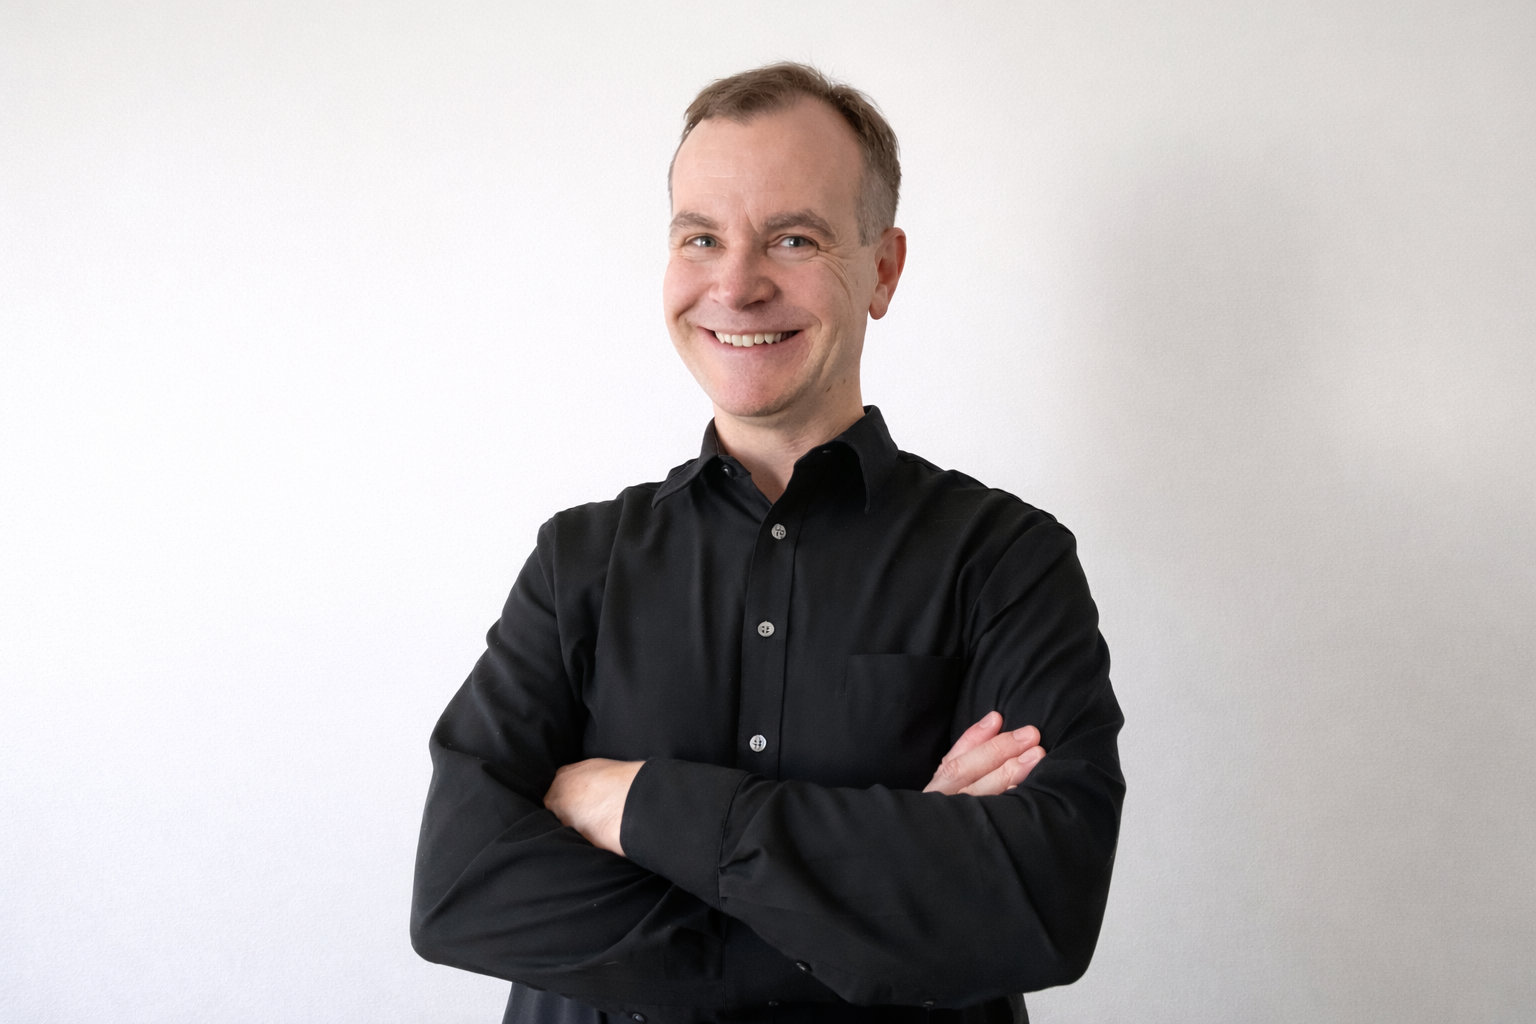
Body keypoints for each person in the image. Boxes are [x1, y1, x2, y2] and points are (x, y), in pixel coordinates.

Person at [411, 62, 1124, 1024]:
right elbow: (460, 890)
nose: (736, 285)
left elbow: (1039, 906)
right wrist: (869, 903)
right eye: (701, 237)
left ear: (882, 268)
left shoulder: (1006, 560)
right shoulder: (577, 563)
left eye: (794, 238)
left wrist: (638, 806)